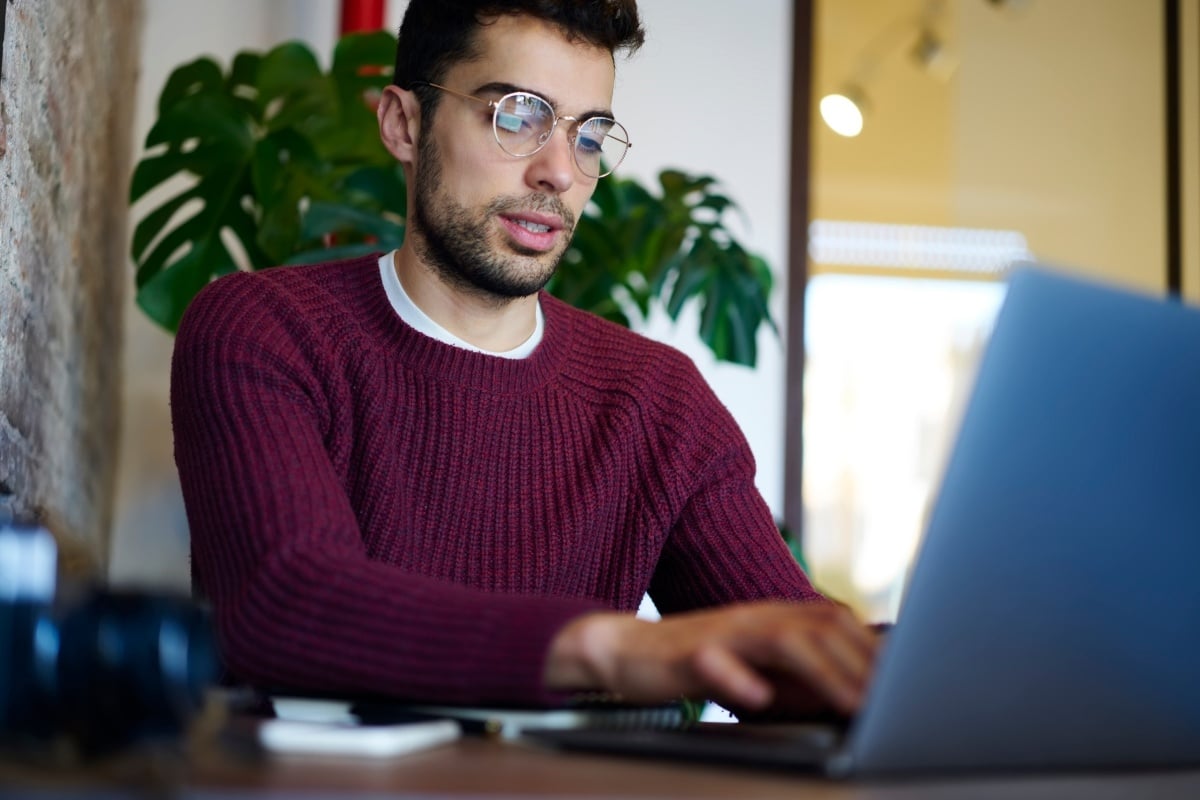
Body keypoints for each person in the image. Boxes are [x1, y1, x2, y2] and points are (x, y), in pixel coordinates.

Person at [171, 0, 880, 718]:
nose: (559, 173)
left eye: (589, 134)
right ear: (403, 123)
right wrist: (606, 649)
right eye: (516, 115)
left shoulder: (657, 401)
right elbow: (287, 602)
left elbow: (799, 646)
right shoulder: (264, 329)